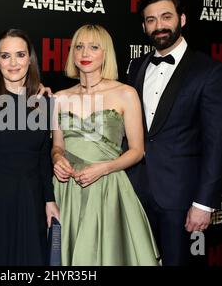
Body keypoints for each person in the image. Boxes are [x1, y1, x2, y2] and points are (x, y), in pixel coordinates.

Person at [126, 0, 222, 266]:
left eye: (166, 17)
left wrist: (203, 203)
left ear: (181, 19)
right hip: (133, 191)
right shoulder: (136, 66)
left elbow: (216, 142)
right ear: (144, 26)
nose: (158, 25)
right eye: (150, 20)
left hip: (180, 197)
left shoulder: (209, 71)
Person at [51, 24, 160, 266]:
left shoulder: (126, 94)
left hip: (108, 189)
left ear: (105, 53)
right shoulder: (59, 98)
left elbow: (137, 151)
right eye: (79, 47)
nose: (85, 53)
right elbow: (57, 145)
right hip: (68, 191)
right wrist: (57, 159)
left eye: (93, 47)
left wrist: (103, 168)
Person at [0, 28, 60, 265]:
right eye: (5, 56)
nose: (13, 63)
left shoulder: (45, 102)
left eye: (20, 55)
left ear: (29, 60)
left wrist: (49, 200)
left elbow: (43, 155)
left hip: (31, 199)